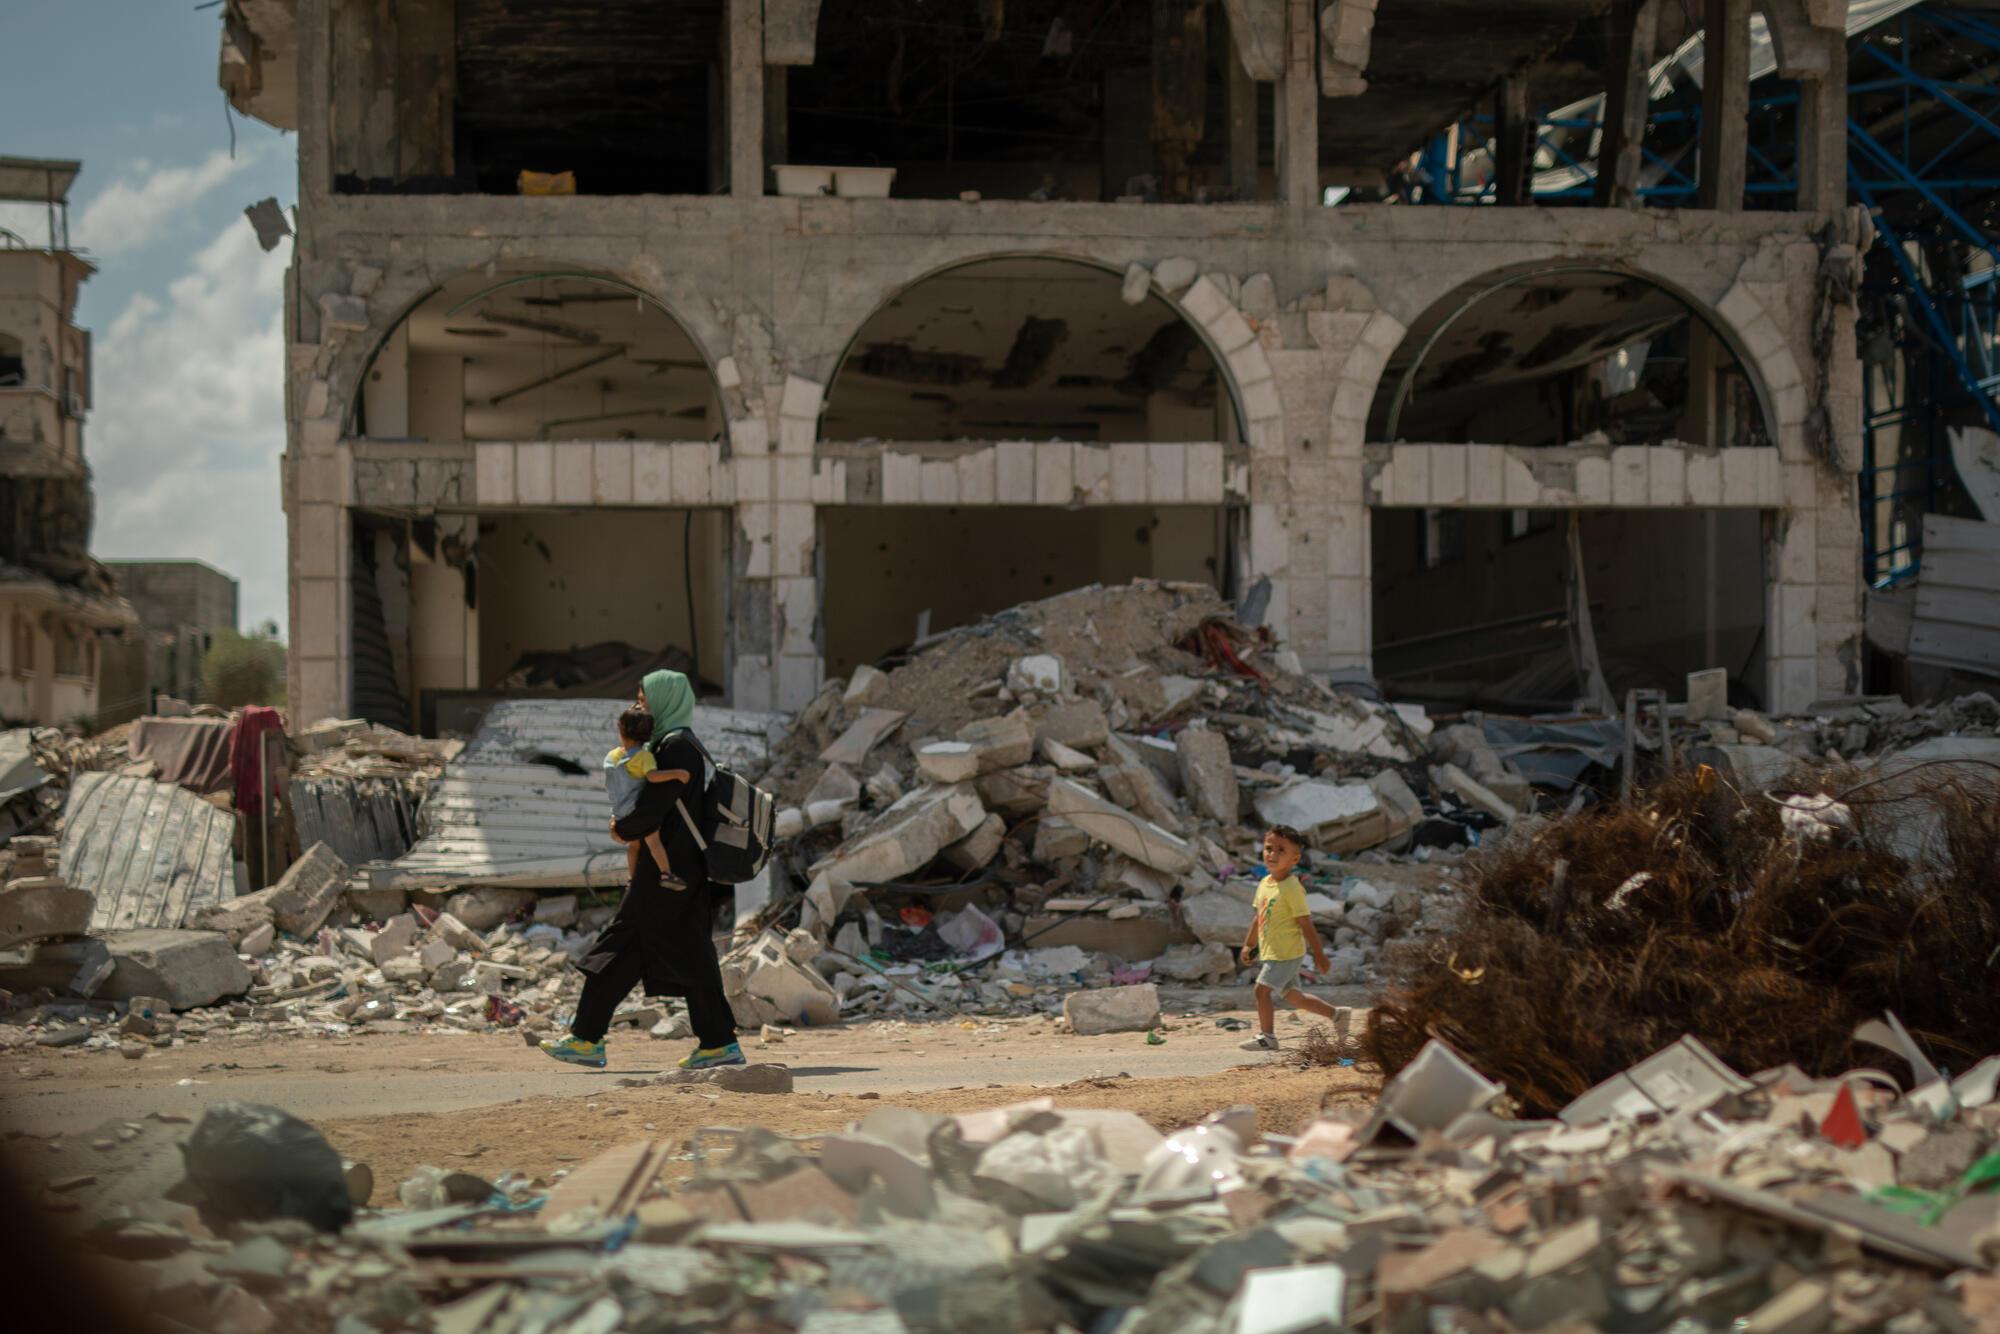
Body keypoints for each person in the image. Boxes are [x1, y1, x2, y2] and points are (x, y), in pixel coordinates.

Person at [540, 669, 743, 1071]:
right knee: (679, 952)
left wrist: (621, 827)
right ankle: (718, 1042)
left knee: (623, 944)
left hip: (667, 874)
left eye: (645, 696)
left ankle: (586, 1038)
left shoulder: (675, 748)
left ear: (665, 700)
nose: (640, 703)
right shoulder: (679, 744)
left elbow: (654, 806)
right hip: (681, 872)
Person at [1237, 823, 1347, 1052]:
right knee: (1296, 998)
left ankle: (1267, 1037)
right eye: (1269, 848)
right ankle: (1337, 1015)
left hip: (1286, 953)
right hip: (1272, 951)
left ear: (1295, 859)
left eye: (1281, 850)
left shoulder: (1292, 887)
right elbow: (1258, 918)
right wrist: (1248, 945)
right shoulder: (1264, 884)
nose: (1272, 854)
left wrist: (1319, 955)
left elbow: (1305, 922)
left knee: (1261, 989)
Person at [604, 702, 692, 890]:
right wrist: (678, 773)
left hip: (620, 819)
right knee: (654, 842)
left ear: (621, 730)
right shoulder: (644, 758)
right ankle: (666, 873)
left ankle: (632, 879)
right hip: (639, 814)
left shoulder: (610, 758)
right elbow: (653, 777)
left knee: (634, 846)